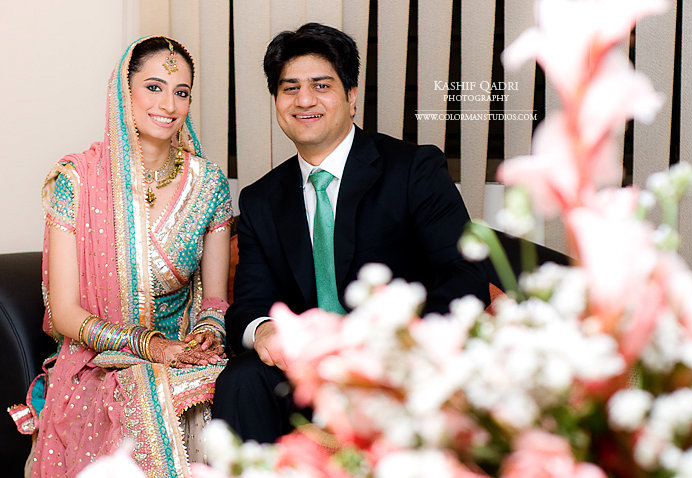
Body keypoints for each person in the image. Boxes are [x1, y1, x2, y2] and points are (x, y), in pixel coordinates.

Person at [213, 22, 492, 443]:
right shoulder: (262, 200)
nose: (304, 100)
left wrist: (401, 346)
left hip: (397, 365)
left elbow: (464, 277)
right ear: (276, 101)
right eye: (290, 88)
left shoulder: (413, 170)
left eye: (321, 85)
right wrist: (264, 329)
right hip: (305, 373)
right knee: (242, 378)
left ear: (351, 95)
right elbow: (249, 303)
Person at [9, 36, 232, 477]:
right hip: (100, 360)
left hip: (183, 358)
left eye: (181, 91)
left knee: (228, 392)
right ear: (123, 93)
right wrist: (149, 346)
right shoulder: (78, 181)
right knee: (143, 396)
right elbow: (66, 314)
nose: (168, 104)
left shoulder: (208, 183)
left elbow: (214, 300)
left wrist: (208, 332)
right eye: (153, 87)